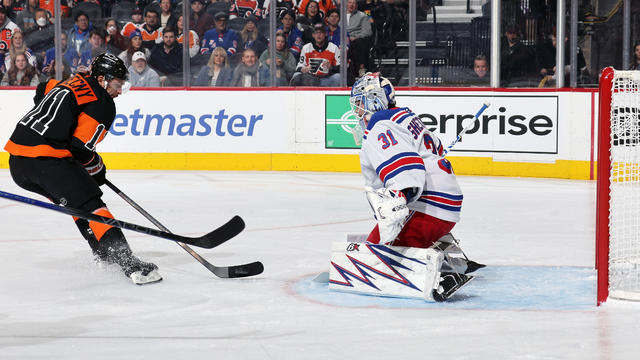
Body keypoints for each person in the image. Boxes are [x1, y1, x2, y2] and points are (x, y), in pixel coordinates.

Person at [3, 53, 162, 285]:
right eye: (117, 85)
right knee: (91, 204)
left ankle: (103, 251)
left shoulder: (69, 81)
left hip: (18, 163)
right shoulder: (102, 105)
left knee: (75, 200)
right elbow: (80, 150)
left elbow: (42, 88)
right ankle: (129, 263)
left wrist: (55, 123)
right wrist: (97, 169)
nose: (119, 91)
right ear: (101, 79)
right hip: (47, 160)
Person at [348, 72, 484, 299]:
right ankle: (446, 252)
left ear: (375, 99)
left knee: (371, 259)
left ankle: (440, 273)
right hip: (445, 206)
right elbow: (437, 149)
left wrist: (397, 199)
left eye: (360, 103)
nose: (358, 111)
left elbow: (406, 170)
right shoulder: (405, 117)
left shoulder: (379, 126)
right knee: (374, 246)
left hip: (427, 207)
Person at [346, 0, 372, 81]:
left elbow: (367, 32)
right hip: (343, 40)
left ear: (357, 5)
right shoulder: (339, 16)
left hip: (356, 40)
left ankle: (361, 68)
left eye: (354, 3)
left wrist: (355, 37)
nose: (351, 5)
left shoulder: (363, 15)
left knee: (359, 42)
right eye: (350, 2)